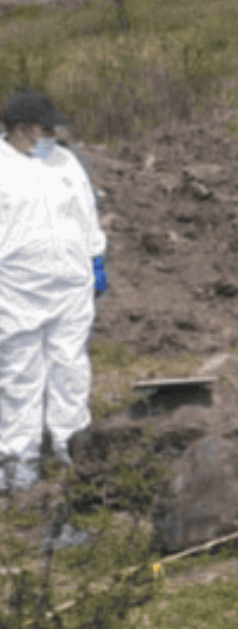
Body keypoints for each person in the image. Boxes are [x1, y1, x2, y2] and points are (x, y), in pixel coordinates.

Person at [0, 91, 107, 492]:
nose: (54, 134)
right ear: (23, 129)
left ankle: (70, 447)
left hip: (70, 283)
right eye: (46, 128)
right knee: (19, 373)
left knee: (70, 365)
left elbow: (85, 211)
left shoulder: (64, 161)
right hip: (15, 288)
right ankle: (18, 461)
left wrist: (96, 259)